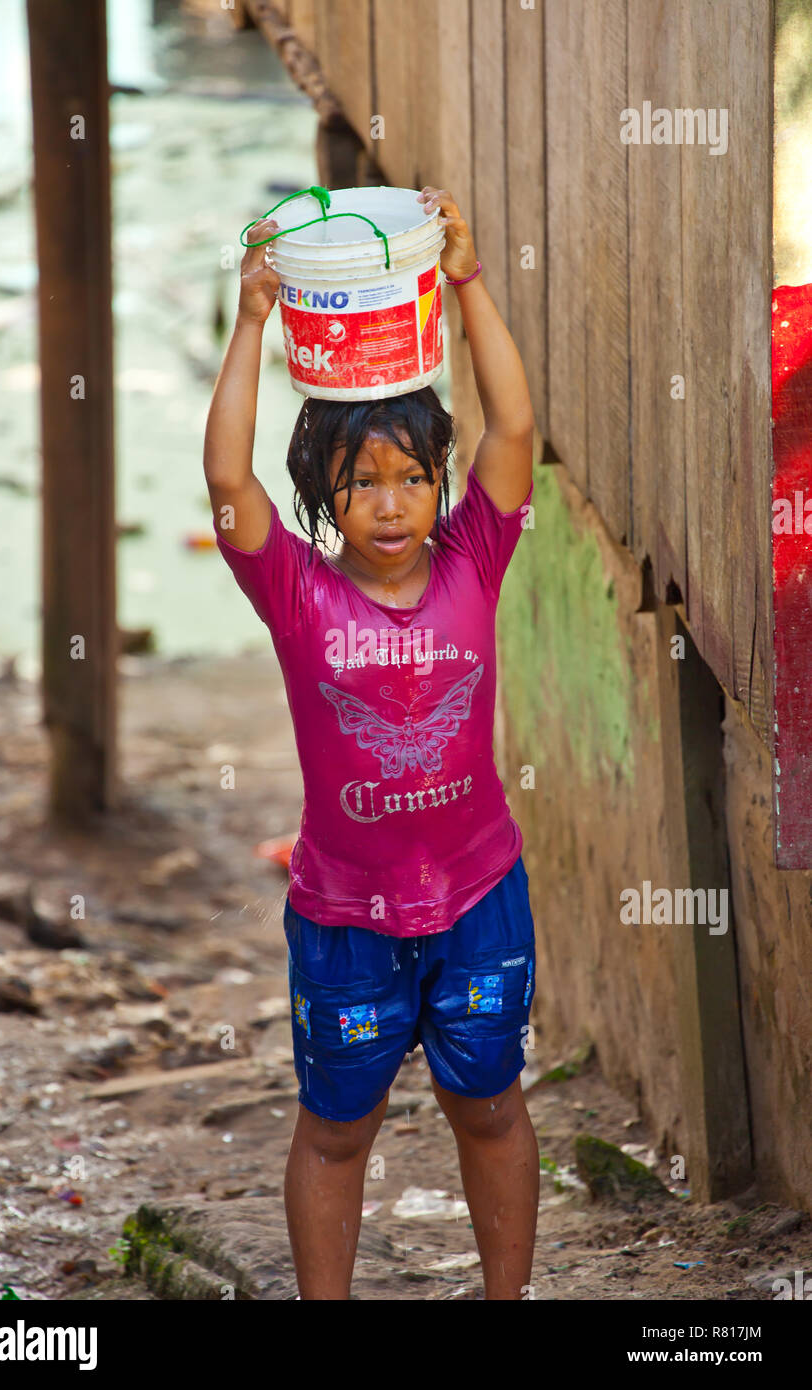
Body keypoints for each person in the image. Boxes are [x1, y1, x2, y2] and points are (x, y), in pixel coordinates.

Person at [203, 186, 538, 1301]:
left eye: (410, 477)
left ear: (439, 483)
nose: (390, 504)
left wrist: (468, 280)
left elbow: (515, 429)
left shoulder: (472, 557)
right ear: (325, 496)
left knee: (487, 1107)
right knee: (337, 1132)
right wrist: (251, 319)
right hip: (344, 919)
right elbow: (222, 483)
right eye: (362, 483)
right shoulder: (296, 594)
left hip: (479, 896)